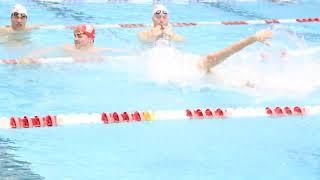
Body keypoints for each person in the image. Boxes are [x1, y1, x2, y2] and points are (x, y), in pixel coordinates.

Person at [138, 4, 273, 73]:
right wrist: (156, 33)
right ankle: (252, 39)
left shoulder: (173, 34)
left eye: (165, 15)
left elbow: (182, 41)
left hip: (180, 61)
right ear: (152, 18)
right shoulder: (143, 33)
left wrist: (170, 35)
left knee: (211, 68)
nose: (162, 18)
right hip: (165, 65)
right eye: (158, 15)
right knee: (209, 62)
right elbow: (146, 39)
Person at [19, 24, 123, 63]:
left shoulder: (100, 51)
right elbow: (46, 49)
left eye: (79, 36)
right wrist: (30, 56)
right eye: (75, 36)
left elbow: (123, 52)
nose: (75, 39)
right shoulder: (68, 48)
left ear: (90, 38)